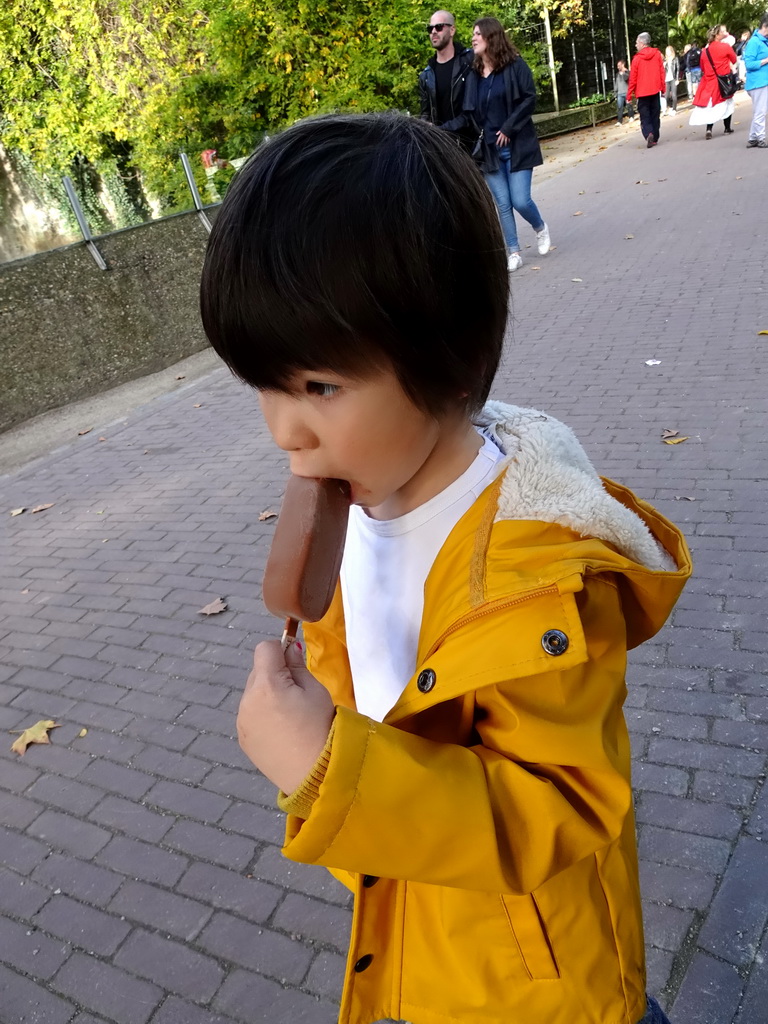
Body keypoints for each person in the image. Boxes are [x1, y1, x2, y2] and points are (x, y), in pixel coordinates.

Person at [199, 111, 691, 1024]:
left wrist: (323, 770)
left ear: (453, 362)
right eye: (263, 383)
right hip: (419, 951)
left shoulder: (537, 567)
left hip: (537, 992)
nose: (283, 429)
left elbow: (560, 809)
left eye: (320, 388)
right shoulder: (358, 508)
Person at [443, 17, 550, 272]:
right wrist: (440, 129)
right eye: (472, 34)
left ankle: (540, 228)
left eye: (478, 33)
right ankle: (513, 251)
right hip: (489, 150)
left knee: (521, 200)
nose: (473, 38)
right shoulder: (474, 73)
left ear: (491, 37)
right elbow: (468, 113)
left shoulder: (515, 66)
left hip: (516, 146)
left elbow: (529, 98)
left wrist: (509, 127)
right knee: (502, 203)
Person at [418, 10, 474, 149]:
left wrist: (441, 130)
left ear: (452, 30)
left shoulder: (469, 62)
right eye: (430, 29)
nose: (434, 32)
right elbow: (425, 113)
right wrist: (425, 127)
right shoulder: (426, 75)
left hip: (471, 144)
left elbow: (473, 111)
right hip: (441, 147)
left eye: (439, 27)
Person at [689, 24, 738, 139]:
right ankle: (727, 128)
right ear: (717, 34)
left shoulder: (705, 51)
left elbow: (702, 66)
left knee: (710, 106)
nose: (725, 33)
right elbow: (734, 59)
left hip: (709, 81)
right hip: (723, 80)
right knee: (727, 102)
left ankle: (709, 129)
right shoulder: (725, 47)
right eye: (723, 31)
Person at [627, 32, 666, 147]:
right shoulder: (657, 54)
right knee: (655, 114)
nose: (635, 45)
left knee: (645, 116)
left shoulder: (636, 59)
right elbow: (661, 72)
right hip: (655, 90)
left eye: (637, 43)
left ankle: (648, 133)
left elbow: (632, 78)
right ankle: (655, 136)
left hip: (642, 92)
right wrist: (663, 88)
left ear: (642, 43)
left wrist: (629, 95)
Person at [743, 14, 768, 147]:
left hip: (762, 81)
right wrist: (766, 60)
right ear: (765, 26)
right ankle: (761, 138)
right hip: (758, 83)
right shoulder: (754, 42)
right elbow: (749, 64)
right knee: (761, 111)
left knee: (759, 110)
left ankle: (753, 138)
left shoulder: (762, 41)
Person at [615, 58, 634, 123]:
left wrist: (623, 72)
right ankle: (619, 121)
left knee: (629, 105)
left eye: (619, 65)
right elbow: (616, 83)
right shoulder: (617, 74)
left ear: (623, 64)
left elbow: (627, 79)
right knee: (620, 107)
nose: (618, 67)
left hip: (626, 92)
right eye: (617, 66)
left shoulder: (627, 72)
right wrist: (615, 91)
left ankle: (631, 117)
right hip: (620, 93)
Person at [664, 46, 679, 114]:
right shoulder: (665, 61)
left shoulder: (675, 59)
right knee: (666, 95)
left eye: (669, 51)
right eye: (666, 51)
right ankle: (669, 106)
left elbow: (678, 69)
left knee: (674, 95)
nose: (668, 52)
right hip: (667, 79)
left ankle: (674, 109)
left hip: (673, 78)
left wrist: (677, 79)